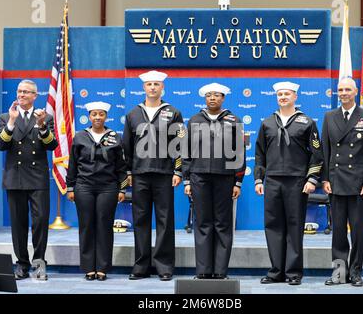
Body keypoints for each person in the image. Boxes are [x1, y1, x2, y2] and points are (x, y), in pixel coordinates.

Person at [254, 81, 323, 285]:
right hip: (273, 181)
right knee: (273, 226)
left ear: (295, 97)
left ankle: (293, 273)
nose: (283, 97)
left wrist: (312, 179)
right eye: (280, 94)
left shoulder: (307, 122)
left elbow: (317, 154)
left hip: (297, 181)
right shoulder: (267, 123)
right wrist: (259, 178)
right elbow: (260, 154)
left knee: (294, 227)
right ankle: (276, 271)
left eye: (287, 94)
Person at [122, 70, 184, 281]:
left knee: (165, 221)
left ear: (162, 88)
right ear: (144, 88)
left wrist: (178, 170)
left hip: (165, 174)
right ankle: (141, 265)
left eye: (156, 84)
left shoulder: (173, 112)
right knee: (141, 220)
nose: (153, 88)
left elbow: (180, 143)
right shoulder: (133, 114)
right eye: (149, 84)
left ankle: (164, 266)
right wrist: (128, 172)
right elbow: (126, 147)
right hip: (139, 174)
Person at [0, 79, 58, 280]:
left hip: (38, 178)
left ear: (34, 96)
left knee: (39, 223)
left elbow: (52, 145)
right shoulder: (6, 117)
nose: (21, 95)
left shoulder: (44, 117)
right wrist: (12, 123)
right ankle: (21, 264)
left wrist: (41, 126)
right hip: (15, 177)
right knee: (18, 223)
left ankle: (39, 263)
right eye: (19, 91)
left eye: (26, 92)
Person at [182, 83, 246, 279]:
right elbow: (185, 151)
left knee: (222, 224)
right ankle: (203, 270)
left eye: (216, 95)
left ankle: (220, 271)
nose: (212, 98)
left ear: (223, 98)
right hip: (199, 177)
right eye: (209, 95)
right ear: (204, 98)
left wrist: (238, 182)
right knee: (202, 223)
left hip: (225, 178)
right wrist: (186, 180)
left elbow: (240, 153)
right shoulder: (194, 120)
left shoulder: (234, 120)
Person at [322, 77, 363, 287]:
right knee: (338, 231)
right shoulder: (329, 117)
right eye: (340, 89)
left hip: (358, 185)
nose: (344, 93)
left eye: (347, 89)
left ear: (356, 92)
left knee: (357, 231)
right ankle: (339, 273)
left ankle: (355, 272)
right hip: (336, 182)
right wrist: (325, 178)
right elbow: (325, 150)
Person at [66, 101, 128, 281]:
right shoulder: (80, 137)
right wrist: (71, 187)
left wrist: (122, 188)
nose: (98, 117)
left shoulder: (115, 137)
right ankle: (88, 267)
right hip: (83, 186)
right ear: (89, 116)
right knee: (86, 226)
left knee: (104, 226)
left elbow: (121, 167)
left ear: (106, 116)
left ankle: (102, 268)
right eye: (94, 114)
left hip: (108, 187)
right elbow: (73, 164)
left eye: (101, 114)